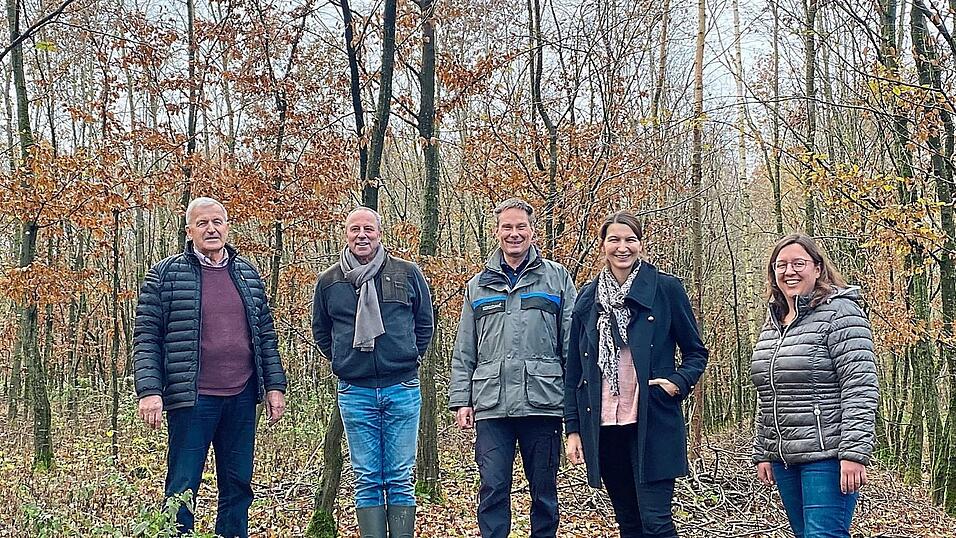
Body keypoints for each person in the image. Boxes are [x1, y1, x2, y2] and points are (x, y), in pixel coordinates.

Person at [133, 196, 287, 538]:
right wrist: (150, 391)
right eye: (202, 223)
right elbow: (146, 337)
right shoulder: (165, 275)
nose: (211, 229)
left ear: (227, 227)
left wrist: (275, 386)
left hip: (242, 395)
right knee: (183, 485)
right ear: (189, 231)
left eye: (217, 222)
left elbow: (265, 334)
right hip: (192, 398)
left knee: (238, 484)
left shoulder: (247, 274)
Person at [563, 210, 708, 538]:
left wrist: (677, 383)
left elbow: (696, 352)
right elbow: (575, 370)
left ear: (640, 244)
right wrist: (573, 429)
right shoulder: (587, 297)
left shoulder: (665, 289)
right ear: (603, 245)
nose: (622, 247)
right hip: (604, 426)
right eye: (614, 239)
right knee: (628, 523)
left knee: (656, 522)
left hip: (652, 421)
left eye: (630, 239)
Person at [448, 198, 576, 538]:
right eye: (507, 227)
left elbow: (572, 344)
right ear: (497, 232)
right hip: (492, 404)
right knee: (492, 489)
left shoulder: (557, 278)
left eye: (521, 227)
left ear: (533, 231)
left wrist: (574, 402)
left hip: (543, 402)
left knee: (544, 492)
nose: (514, 233)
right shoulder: (478, 286)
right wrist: (462, 400)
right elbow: (465, 348)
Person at [312, 206, 434, 538]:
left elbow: (425, 324)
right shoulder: (329, 282)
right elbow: (321, 332)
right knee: (366, 477)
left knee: (399, 477)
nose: (362, 235)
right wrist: (346, 361)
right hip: (355, 391)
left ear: (380, 233)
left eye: (368, 229)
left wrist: (408, 356)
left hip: (402, 388)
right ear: (346, 234)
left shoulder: (407, 273)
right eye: (355, 229)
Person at [751, 233, 878, 538]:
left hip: (827, 455)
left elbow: (860, 387)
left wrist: (853, 453)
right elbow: (768, 392)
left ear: (818, 268)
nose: (789, 271)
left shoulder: (841, 313)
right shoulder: (774, 322)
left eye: (799, 263)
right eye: (781, 265)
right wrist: (764, 451)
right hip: (785, 458)